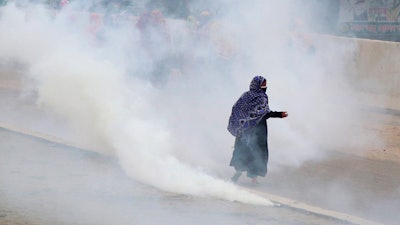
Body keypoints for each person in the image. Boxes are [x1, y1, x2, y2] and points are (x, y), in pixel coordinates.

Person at [227, 75, 288, 184]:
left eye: (265, 84)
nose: (265, 87)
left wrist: (242, 124)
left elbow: (236, 109)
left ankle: (245, 176)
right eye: (263, 84)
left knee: (246, 152)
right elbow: (265, 114)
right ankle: (251, 178)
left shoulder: (245, 96)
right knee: (256, 153)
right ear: (258, 85)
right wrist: (279, 114)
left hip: (245, 131)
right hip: (258, 131)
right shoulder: (261, 98)